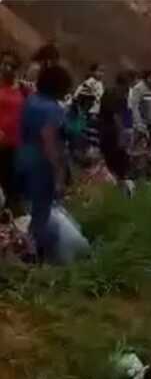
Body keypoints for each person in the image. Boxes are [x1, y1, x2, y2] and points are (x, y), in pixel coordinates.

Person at [15, 65, 71, 261]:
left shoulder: (31, 100)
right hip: (41, 163)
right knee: (40, 213)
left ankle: (20, 247)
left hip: (23, 157)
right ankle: (32, 256)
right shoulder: (53, 108)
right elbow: (49, 141)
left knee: (24, 208)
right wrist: (58, 175)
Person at [0, 50, 26, 211]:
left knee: (12, 185)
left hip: (16, 145)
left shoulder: (23, 89)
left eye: (12, 65)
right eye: (4, 64)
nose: (7, 68)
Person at [99, 72, 132, 182]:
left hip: (107, 130)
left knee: (113, 160)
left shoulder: (111, 92)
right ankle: (118, 183)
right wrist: (122, 135)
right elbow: (116, 116)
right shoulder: (117, 94)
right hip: (113, 132)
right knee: (117, 161)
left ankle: (115, 183)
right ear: (124, 84)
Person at [128, 70, 151, 136]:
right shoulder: (138, 88)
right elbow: (134, 107)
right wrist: (139, 124)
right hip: (141, 125)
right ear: (146, 78)